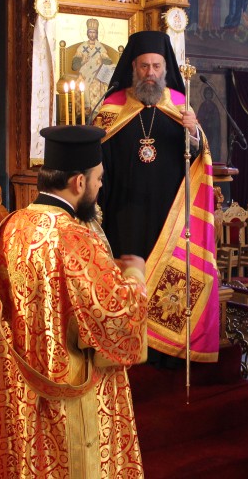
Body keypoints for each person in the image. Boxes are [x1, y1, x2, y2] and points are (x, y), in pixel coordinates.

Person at [0, 124, 148, 478]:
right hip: (71, 390)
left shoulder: (12, 225)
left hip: (25, 384)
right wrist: (135, 275)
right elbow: (117, 314)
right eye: (98, 180)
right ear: (79, 182)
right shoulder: (74, 236)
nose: (100, 188)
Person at [93, 30, 219, 363]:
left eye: (156, 66)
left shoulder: (179, 106)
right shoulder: (112, 108)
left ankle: (168, 354)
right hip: (124, 215)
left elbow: (198, 158)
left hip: (170, 216)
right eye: (144, 66)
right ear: (133, 67)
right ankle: (126, 349)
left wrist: (194, 132)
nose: (150, 73)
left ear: (165, 69)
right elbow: (98, 163)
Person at [71, 18, 116, 116]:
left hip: (96, 74)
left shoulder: (100, 47)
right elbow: (74, 66)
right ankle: (84, 114)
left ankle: (96, 114)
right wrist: (83, 61)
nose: (92, 35)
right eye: (90, 32)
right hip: (84, 74)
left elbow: (108, 61)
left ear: (97, 33)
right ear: (87, 33)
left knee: (97, 86)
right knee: (80, 85)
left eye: (94, 32)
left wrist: (102, 61)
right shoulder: (82, 47)